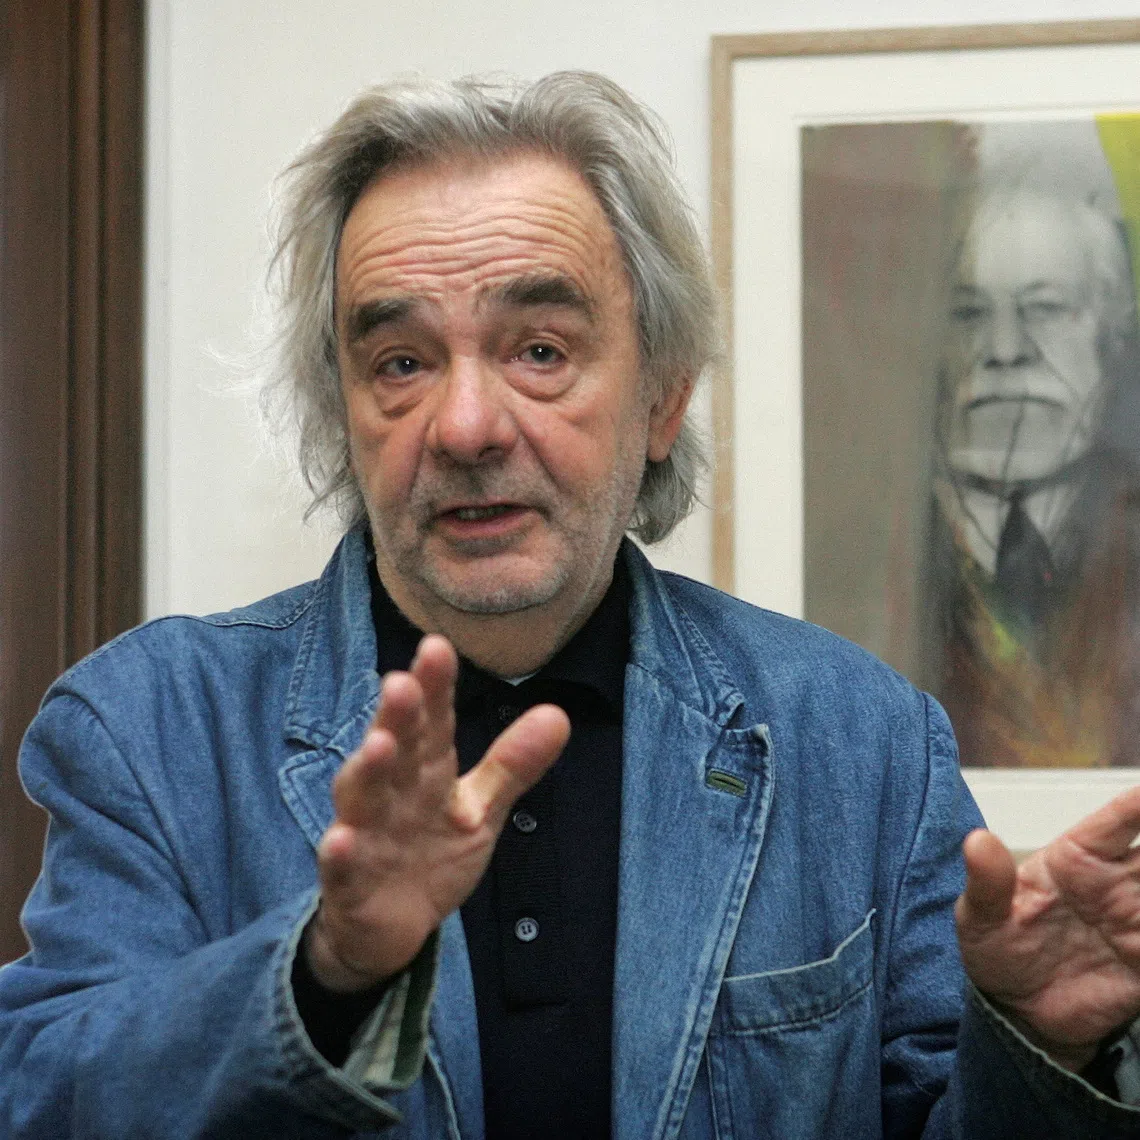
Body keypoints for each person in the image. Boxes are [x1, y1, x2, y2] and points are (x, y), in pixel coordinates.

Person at [2, 72, 1140, 1139]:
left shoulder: (859, 738)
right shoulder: (152, 728)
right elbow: (40, 1091)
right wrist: (324, 974)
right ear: (339, 410)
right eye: (398, 362)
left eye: (539, 349)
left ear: (660, 397)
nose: (463, 427)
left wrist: (1039, 1040)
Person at [932, 185, 1140, 767]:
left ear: (1114, 334)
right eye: (968, 312)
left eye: (1045, 309)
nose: (1003, 350)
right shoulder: (864, 556)